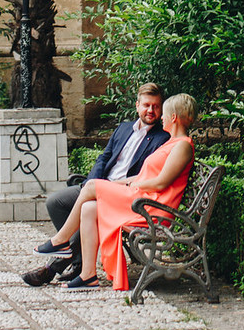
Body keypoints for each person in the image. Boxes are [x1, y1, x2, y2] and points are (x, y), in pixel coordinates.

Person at [40, 93, 196, 292]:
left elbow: (160, 183)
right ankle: (88, 275)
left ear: (173, 117)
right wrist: (119, 184)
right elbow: (144, 176)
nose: (161, 118)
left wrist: (128, 187)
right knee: (89, 207)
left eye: (164, 113)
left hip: (151, 208)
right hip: (142, 199)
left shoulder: (183, 146)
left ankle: (60, 241)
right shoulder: (172, 143)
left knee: (90, 187)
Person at [21, 83, 168, 286]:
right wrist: (91, 182)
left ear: (161, 109)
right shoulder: (124, 128)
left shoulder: (163, 138)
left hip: (122, 195)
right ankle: (79, 262)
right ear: (137, 106)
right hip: (99, 186)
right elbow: (104, 158)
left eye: (156, 106)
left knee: (90, 211)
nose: (150, 110)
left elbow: (144, 176)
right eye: (146, 105)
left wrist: (108, 187)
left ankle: (52, 267)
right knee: (55, 202)